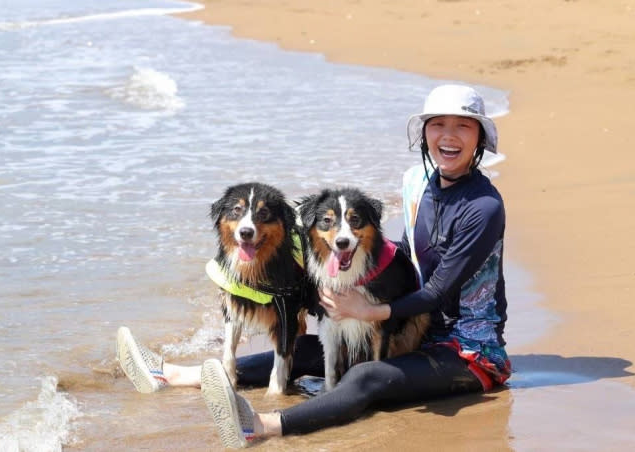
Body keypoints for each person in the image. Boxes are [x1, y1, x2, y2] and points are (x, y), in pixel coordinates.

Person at [116, 84, 511, 448]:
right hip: (408, 332)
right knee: (308, 348)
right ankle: (171, 374)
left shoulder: (483, 207)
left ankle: (260, 425)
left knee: (366, 376)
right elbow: (403, 255)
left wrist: (368, 310)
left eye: (463, 126)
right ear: (424, 133)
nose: (448, 135)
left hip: (466, 352)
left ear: (479, 138)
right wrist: (336, 269)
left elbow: (439, 290)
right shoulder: (417, 182)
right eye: (437, 124)